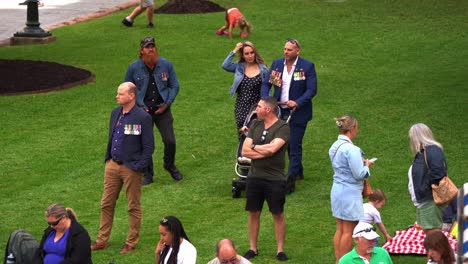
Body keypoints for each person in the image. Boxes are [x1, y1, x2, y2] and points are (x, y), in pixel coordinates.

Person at [91, 82, 154, 254]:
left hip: (131, 168)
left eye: (120, 94)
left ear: (131, 96)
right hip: (112, 165)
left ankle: (131, 242)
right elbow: (112, 137)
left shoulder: (143, 117)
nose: (117, 96)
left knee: (133, 206)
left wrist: (139, 166)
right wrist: (107, 160)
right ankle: (102, 240)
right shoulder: (115, 113)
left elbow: (149, 146)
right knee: (106, 203)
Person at [125, 36, 183, 185]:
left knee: (170, 141)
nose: (151, 49)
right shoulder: (133, 68)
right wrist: (138, 105)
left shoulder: (166, 65)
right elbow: (127, 89)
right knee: (144, 143)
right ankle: (148, 173)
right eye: (147, 47)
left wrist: (167, 103)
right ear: (141, 51)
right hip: (142, 112)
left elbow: (174, 86)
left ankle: (169, 165)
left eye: (153, 46)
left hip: (162, 109)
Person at [261, 38, 317, 186]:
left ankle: (290, 180)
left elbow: (312, 90)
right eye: (285, 49)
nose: (286, 52)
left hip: (298, 113)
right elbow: (267, 83)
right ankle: (298, 171)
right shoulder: (278, 65)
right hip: (279, 111)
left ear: (297, 51)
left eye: (289, 50)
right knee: (286, 144)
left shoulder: (307, 66)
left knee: (294, 143)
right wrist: (267, 100)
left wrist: (297, 102)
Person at [241, 96, 290, 261]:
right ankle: (252, 248)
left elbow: (273, 149)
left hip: (275, 179)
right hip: (254, 177)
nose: (256, 109)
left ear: (268, 109)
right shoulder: (255, 124)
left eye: (259, 106)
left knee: (277, 213)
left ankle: (280, 250)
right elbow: (245, 151)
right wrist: (260, 149)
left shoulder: (283, 127)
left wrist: (254, 146)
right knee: (253, 212)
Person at [329, 115, 375, 263]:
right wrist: (367, 166)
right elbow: (359, 174)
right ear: (352, 128)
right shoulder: (352, 149)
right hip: (350, 192)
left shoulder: (334, 146)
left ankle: (338, 260)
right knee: (349, 230)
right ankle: (343, 262)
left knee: (340, 229)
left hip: (337, 190)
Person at [407, 123, 447, 233]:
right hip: (426, 200)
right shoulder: (425, 152)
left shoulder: (432, 150)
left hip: (430, 200)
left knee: (433, 237)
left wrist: (424, 188)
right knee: (431, 236)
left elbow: (438, 173)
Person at [221, 41, 269, 132]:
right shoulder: (239, 66)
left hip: (256, 107)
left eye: (252, 53)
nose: (250, 56)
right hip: (241, 107)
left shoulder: (263, 69)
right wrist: (235, 50)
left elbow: (268, 87)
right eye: (246, 54)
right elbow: (225, 65)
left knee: (254, 135)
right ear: (242, 55)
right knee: (242, 134)